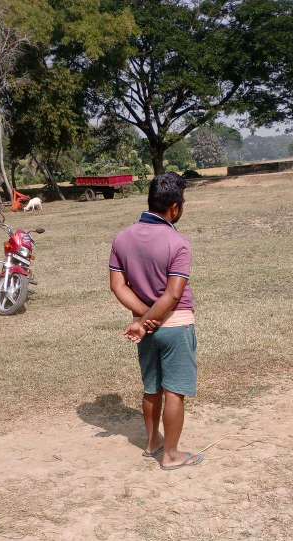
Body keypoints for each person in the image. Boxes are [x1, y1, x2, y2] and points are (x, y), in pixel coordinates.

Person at [109, 172, 203, 471]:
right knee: (174, 391)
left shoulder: (122, 239)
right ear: (174, 207)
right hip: (175, 326)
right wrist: (152, 319)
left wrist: (143, 320)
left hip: (145, 330)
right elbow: (173, 294)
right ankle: (172, 455)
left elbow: (118, 286)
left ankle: (153, 443)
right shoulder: (179, 243)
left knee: (152, 388)